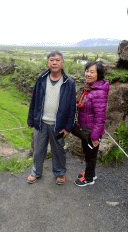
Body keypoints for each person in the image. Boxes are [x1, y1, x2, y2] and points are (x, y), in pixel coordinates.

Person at [27, 50, 76, 185]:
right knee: (38, 150)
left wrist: (68, 127)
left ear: (62, 62)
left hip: (58, 125)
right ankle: (36, 172)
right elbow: (34, 100)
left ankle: (60, 173)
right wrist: (31, 119)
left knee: (59, 151)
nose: (54, 62)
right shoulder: (41, 79)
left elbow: (72, 107)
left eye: (57, 60)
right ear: (48, 62)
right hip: (41, 123)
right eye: (51, 60)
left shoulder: (69, 82)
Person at [74, 61, 109, 187]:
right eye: (87, 71)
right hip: (85, 128)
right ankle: (90, 173)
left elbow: (100, 117)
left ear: (98, 74)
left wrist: (95, 136)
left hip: (92, 130)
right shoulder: (88, 87)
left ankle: (89, 179)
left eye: (92, 72)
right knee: (89, 154)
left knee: (91, 155)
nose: (88, 74)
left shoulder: (98, 91)